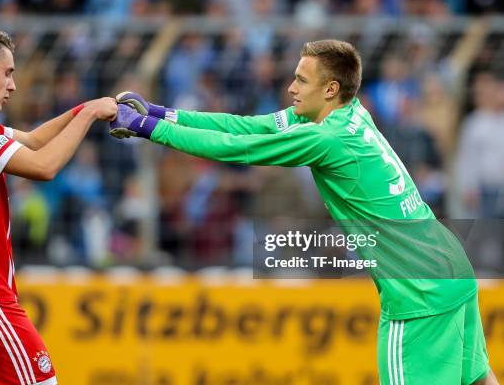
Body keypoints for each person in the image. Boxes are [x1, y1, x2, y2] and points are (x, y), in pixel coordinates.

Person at [110, 40, 499, 384]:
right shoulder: (350, 112)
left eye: (301, 79)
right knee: (478, 379)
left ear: (330, 88)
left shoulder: (324, 138)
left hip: (418, 292)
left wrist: (146, 128)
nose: (290, 88)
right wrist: (162, 113)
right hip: (452, 265)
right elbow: (247, 127)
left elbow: (233, 148)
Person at [0, 24, 117, 385]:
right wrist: (90, 116)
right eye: (8, 73)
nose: (13, 85)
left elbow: (35, 139)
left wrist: (86, 107)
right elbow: (44, 166)